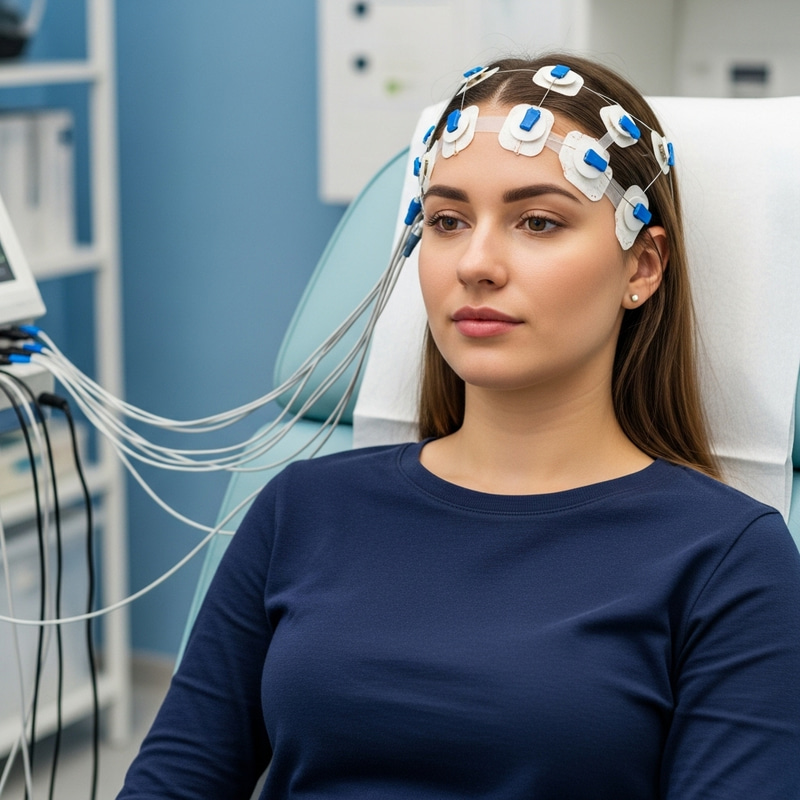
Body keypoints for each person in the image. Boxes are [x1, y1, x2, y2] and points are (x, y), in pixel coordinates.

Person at [117, 53, 800, 799]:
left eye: (537, 222)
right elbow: (175, 781)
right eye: (447, 221)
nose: (475, 263)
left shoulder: (727, 560)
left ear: (642, 266)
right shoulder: (301, 509)